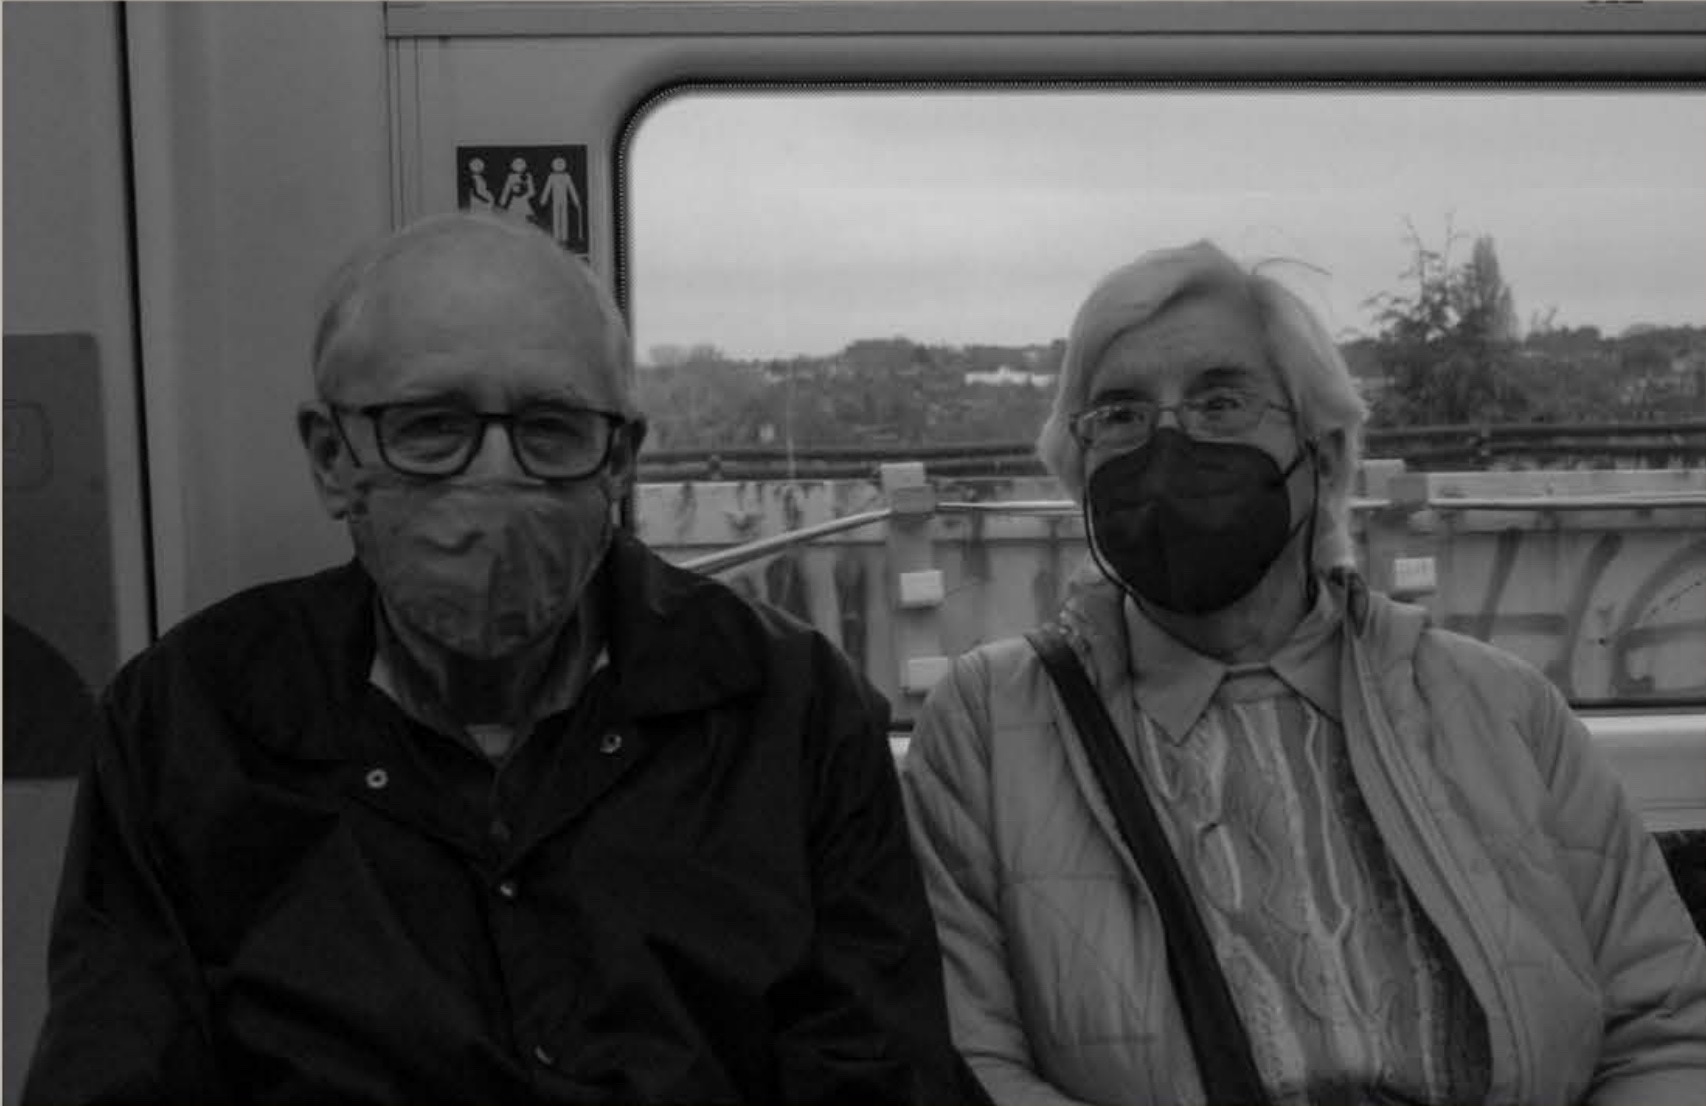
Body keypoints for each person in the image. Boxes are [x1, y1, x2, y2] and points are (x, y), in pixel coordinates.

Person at [24, 211, 985, 1105]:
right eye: (431, 426)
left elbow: (879, 1076)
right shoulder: (187, 722)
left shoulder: (792, 710)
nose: (495, 475)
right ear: (332, 457)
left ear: (620, 460)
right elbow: (113, 1072)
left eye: (549, 430)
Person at [900, 240, 1706, 1105]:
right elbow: (968, 1064)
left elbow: (1663, 1032)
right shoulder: (992, 728)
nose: (1168, 446)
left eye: (1221, 401)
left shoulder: (1505, 710)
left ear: (1320, 451)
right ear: (1078, 462)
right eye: (1121, 414)